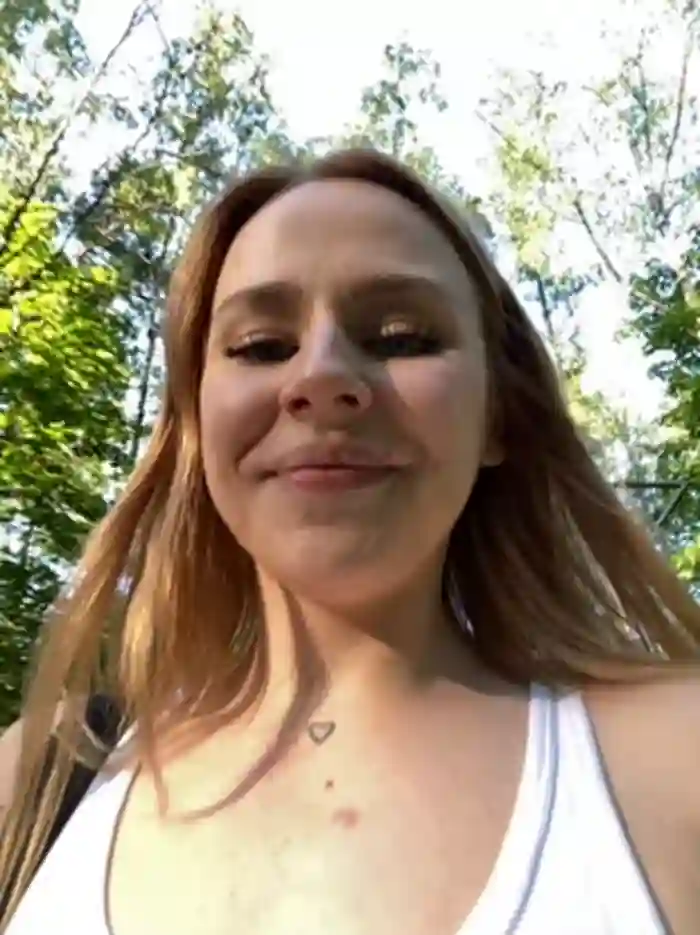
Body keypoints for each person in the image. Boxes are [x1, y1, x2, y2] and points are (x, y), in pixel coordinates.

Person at [0, 148, 699, 935]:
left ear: (498, 415)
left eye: (402, 336)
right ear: (197, 422)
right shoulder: (40, 783)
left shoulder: (676, 765)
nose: (322, 376)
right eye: (261, 345)